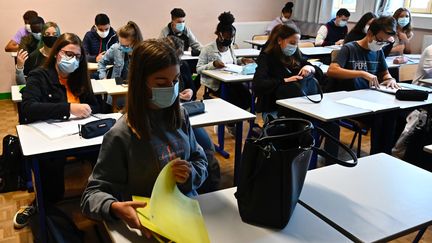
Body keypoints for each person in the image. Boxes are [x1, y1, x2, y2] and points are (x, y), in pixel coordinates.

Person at [81, 40, 208, 234]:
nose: (171, 88)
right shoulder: (121, 134)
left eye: (175, 81)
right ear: (141, 82)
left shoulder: (180, 115)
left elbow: (200, 160)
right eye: (161, 83)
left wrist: (190, 174)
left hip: (186, 216)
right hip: (148, 225)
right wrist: (115, 207)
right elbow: (91, 195)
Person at [14, 33, 101, 229]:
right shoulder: (40, 76)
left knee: (107, 153)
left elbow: (96, 106)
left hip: (81, 135)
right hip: (53, 138)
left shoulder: (80, 78)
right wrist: (68, 109)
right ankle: (42, 204)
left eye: (78, 56)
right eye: (68, 53)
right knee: (51, 175)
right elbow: (28, 108)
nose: (73, 59)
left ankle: (101, 197)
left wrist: (88, 110)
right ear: (56, 54)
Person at [253, 24, 339, 159]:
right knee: (300, 130)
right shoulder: (267, 57)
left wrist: (310, 68)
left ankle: (330, 163)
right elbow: (258, 85)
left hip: (300, 105)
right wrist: (285, 80)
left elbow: (319, 74)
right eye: (292, 43)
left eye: (297, 43)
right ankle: (296, 163)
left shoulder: (295, 55)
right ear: (279, 40)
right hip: (275, 107)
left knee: (332, 126)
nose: (294, 46)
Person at [327, 16, 399, 154]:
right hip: (347, 102)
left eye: (385, 42)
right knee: (380, 116)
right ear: (370, 33)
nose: (381, 44)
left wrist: (390, 79)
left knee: (394, 114)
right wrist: (361, 73)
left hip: (369, 100)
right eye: (379, 40)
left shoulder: (378, 52)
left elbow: (385, 73)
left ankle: (384, 154)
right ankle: (377, 155)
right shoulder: (350, 48)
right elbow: (332, 70)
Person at [165, 36, 220, 192]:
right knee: (199, 149)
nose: (177, 59)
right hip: (175, 113)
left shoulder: (183, 66)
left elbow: (193, 87)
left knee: (208, 148)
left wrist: (190, 91)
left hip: (185, 110)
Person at [197, 12, 254, 112]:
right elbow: (198, 69)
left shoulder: (230, 47)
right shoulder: (207, 49)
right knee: (234, 99)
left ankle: (239, 121)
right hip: (217, 84)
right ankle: (229, 123)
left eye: (232, 37)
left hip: (233, 80)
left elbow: (233, 63)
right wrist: (213, 64)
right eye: (227, 37)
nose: (229, 40)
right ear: (219, 34)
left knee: (247, 96)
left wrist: (242, 60)